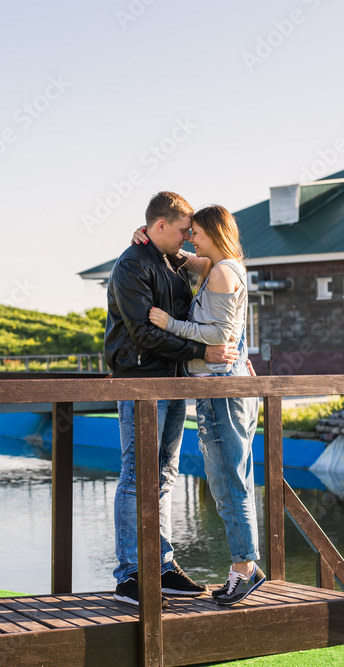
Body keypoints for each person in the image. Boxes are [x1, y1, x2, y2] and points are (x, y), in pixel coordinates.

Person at [104, 191, 237, 606]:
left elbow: (216, 274)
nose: (188, 238)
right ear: (159, 226)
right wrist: (201, 351)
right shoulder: (131, 265)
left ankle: (161, 567)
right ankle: (130, 576)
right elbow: (143, 333)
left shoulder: (172, 259)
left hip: (173, 381)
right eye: (183, 231)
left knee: (163, 474)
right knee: (135, 476)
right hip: (140, 384)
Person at [138, 204, 265, 606]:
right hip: (223, 388)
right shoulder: (216, 266)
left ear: (212, 231)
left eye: (195, 231)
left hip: (222, 389)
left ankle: (244, 571)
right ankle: (247, 565)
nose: (190, 237)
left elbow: (221, 335)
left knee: (229, 482)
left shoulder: (224, 271)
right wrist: (144, 234)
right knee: (232, 478)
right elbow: (180, 256)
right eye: (186, 231)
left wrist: (169, 323)